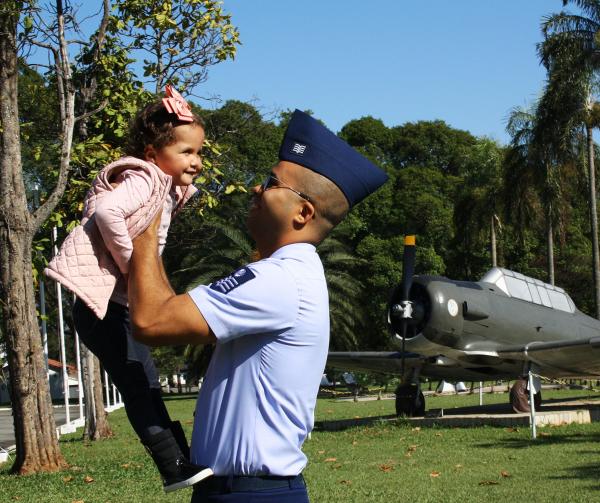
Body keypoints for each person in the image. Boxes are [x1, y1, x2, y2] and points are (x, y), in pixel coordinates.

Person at [127, 109, 389, 502]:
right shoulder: (286, 274)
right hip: (239, 490)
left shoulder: (279, 280)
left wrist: (146, 217)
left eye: (270, 182)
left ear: (303, 212)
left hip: (251, 494)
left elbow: (150, 321)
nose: (255, 189)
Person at [44, 86, 213, 492]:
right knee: (139, 382)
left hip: (116, 307)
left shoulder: (164, 187)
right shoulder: (146, 176)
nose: (197, 161)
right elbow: (107, 210)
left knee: (144, 381)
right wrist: (131, 263)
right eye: (186, 152)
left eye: (199, 152)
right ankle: (174, 464)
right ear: (154, 154)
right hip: (106, 308)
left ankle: (179, 462)